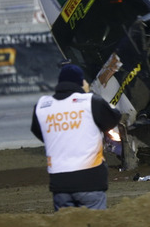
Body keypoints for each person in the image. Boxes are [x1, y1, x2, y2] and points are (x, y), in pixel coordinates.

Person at [31, 64, 122, 211]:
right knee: (95, 222)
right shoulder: (90, 102)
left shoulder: (42, 106)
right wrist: (88, 94)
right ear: (81, 82)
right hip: (90, 181)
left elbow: (39, 132)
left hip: (59, 184)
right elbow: (113, 118)